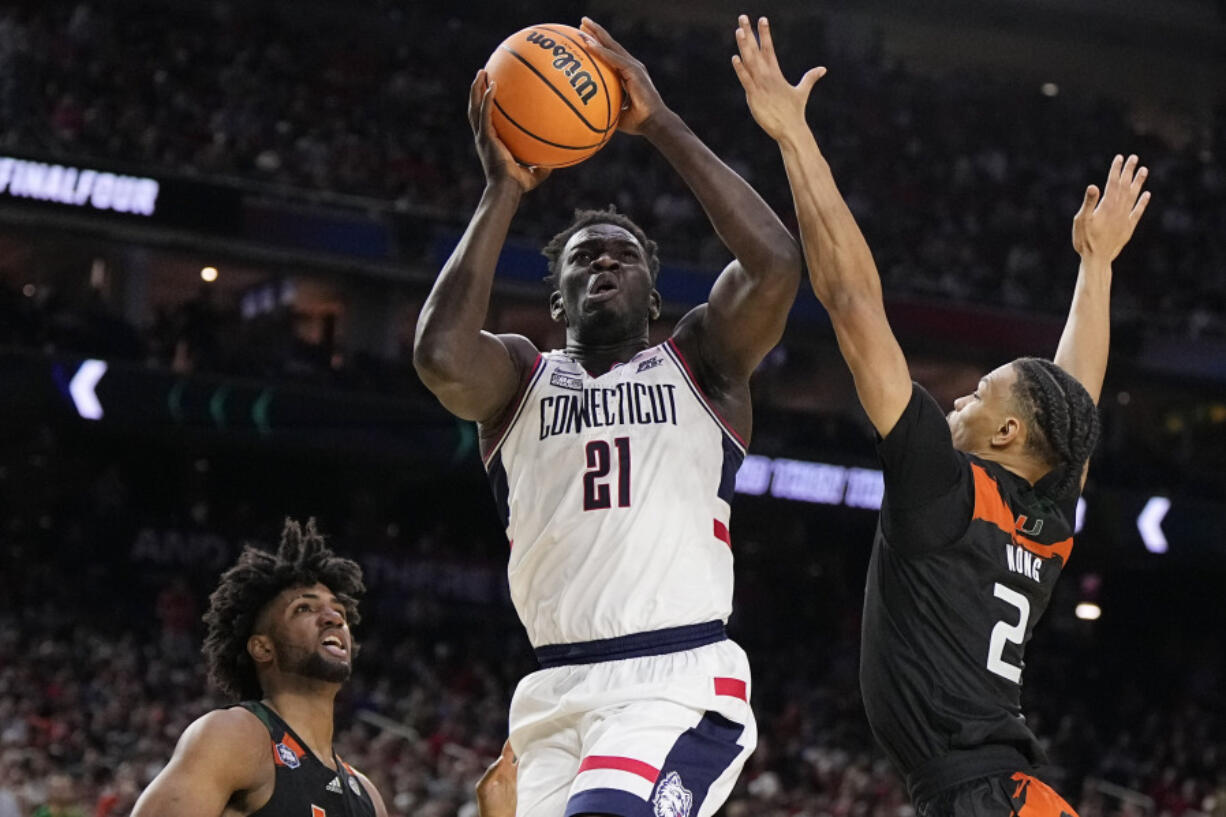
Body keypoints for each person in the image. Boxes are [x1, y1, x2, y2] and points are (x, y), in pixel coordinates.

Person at [731, 14, 1150, 817]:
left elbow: (854, 302)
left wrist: (794, 139)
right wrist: (1093, 268)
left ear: (1007, 435)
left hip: (986, 799)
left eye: (979, 391)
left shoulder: (946, 490)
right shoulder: (1044, 512)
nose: (959, 397)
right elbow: (1078, 404)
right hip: (1014, 795)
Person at [413, 16, 803, 817]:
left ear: (654, 297)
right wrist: (503, 190)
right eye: (583, 256)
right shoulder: (521, 378)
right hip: (555, 691)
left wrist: (658, 122)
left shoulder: (701, 363)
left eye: (621, 255)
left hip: (675, 677)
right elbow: (442, 356)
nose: (603, 261)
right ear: (556, 297)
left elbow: (775, 266)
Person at [131, 519, 388, 817]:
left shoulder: (368, 797)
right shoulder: (236, 735)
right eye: (304, 608)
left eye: (339, 611)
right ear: (263, 647)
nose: (333, 618)